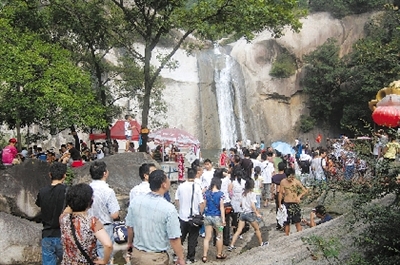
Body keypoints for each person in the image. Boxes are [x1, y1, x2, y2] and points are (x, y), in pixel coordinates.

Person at [125, 170, 185, 265]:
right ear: (164, 185)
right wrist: (180, 258)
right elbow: (174, 238)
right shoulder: (169, 208)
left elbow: (130, 227)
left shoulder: (136, 201)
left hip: (137, 255)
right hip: (156, 258)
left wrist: (129, 243)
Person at [60, 183, 113, 265]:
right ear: (89, 201)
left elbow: (68, 209)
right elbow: (108, 245)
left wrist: (74, 201)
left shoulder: (63, 219)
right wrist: (104, 261)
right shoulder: (93, 222)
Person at [87, 161, 120, 264]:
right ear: (105, 173)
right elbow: (115, 214)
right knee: (104, 258)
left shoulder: (87, 189)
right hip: (104, 227)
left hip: (88, 226)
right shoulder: (108, 191)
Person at [35, 162, 68, 265]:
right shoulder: (67, 191)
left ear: (50, 175)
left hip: (47, 235)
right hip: (64, 234)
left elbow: (39, 205)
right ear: (64, 175)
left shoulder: (42, 191)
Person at [227, 179, 268, 251]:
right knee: (257, 229)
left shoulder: (243, 193)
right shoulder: (252, 194)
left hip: (243, 213)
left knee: (238, 230)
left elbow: (240, 204)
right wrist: (257, 213)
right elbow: (252, 204)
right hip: (250, 214)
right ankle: (261, 243)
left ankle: (231, 245)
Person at [175, 168, 205, 264]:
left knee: (180, 237)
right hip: (194, 217)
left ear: (187, 175)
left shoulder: (181, 186)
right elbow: (201, 203)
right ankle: (190, 258)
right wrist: (200, 213)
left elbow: (176, 200)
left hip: (182, 216)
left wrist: (180, 209)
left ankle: (177, 256)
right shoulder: (197, 187)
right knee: (192, 239)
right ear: (196, 175)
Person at [202, 177, 226, 262]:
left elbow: (204, 205)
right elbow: (222, 208)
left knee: (207, 237)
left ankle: (204, 256)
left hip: (208, 217)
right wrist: (223, 220)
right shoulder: (221, 194)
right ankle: (219, 254)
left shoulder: (206, 193)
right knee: (219, 236)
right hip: (217, 218)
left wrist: (201, 214)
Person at [278, 168, 308, 236]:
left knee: (297, 221)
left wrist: (299, 196)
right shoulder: (283, 182)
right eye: (290, 177)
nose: (292, 179)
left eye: (293, 177)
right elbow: (280, 193)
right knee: (286, 222)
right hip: (286, 203)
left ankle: (300, 235)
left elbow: (305, 190)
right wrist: (280, 204)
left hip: (295, 203)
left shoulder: (296, 182)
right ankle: (287, 236)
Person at [271, 162, 287, 230]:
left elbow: (272, 187)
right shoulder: (286, 176)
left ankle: (279, 223)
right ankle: (285, 222)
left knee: (278, 208)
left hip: (278, 193)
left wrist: (272, 193)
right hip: (285, 193)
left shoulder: (274, 177)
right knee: (285, 208)